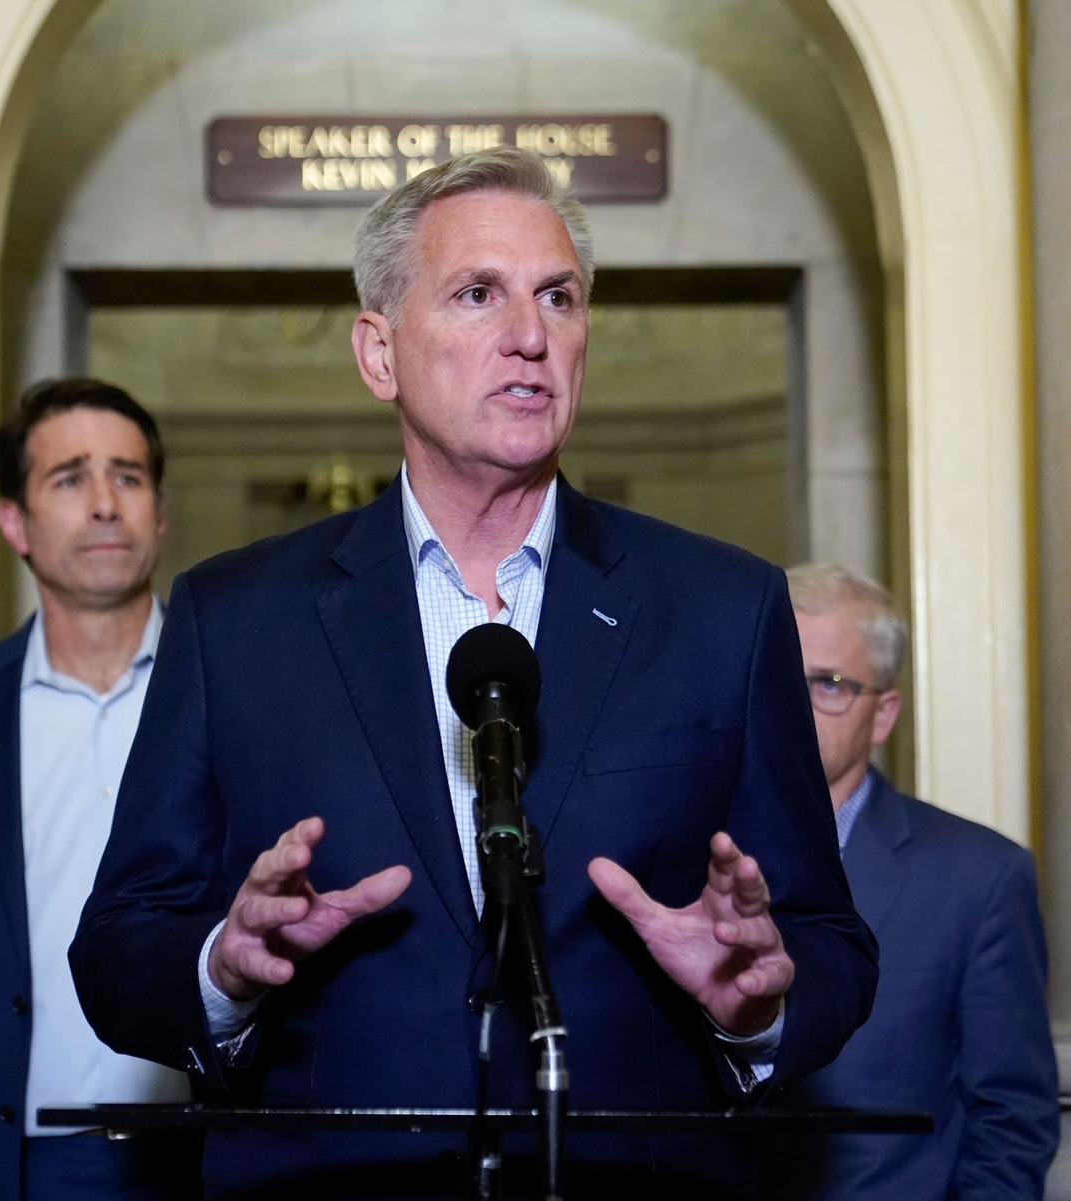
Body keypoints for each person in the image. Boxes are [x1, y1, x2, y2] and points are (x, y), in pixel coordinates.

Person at [70, 148, 876, 1199]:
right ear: (379, 353)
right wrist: (225, 963)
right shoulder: (236, 617)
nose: (531, 337)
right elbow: (122, 945)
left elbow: (828, 943)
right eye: (477, 294)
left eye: (559, 297)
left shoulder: (723, 608)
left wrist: (756, 999)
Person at [0, 379, 202, 1200]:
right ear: (13, 521)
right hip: (3, 1166)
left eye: (127, 476)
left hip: (200, 1160)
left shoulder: (240, 697)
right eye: (69, 478)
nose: (103, 504)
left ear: (159, 513)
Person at [759, 562, 1059, 1200]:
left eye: (829, 684)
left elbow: (1011, 1120)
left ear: (884, 713)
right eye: (776, 675)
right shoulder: (683, 856)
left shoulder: (978, 877)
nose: (792, 703)